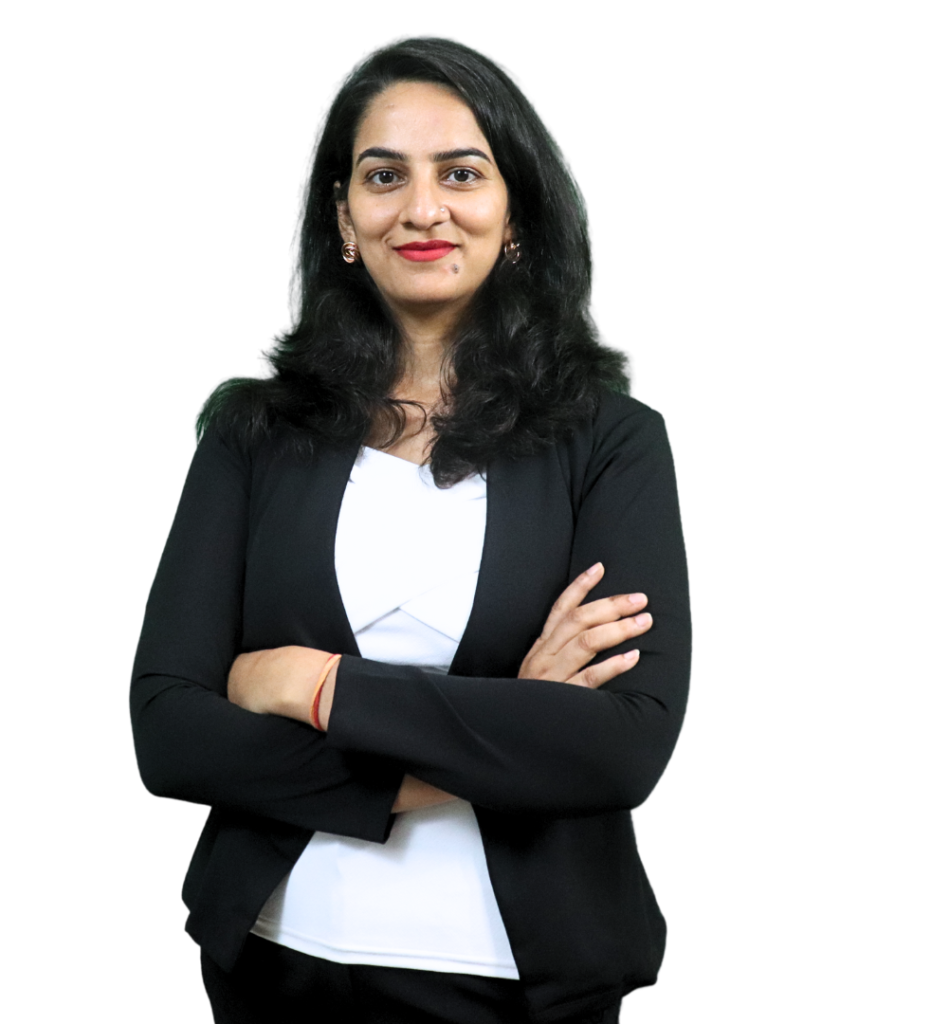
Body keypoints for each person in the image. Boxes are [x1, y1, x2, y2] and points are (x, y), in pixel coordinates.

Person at [129, 32, 692, 1024]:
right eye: (384, 175)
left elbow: (621, 750)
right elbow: (168, 734)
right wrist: (512, 720)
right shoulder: (253, 432)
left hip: (522, 987)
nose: (422, 208)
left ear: (515, 213)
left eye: (461, 173)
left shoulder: (613, 438)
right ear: (344, 217)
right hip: (271, 962)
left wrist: (311, 684)